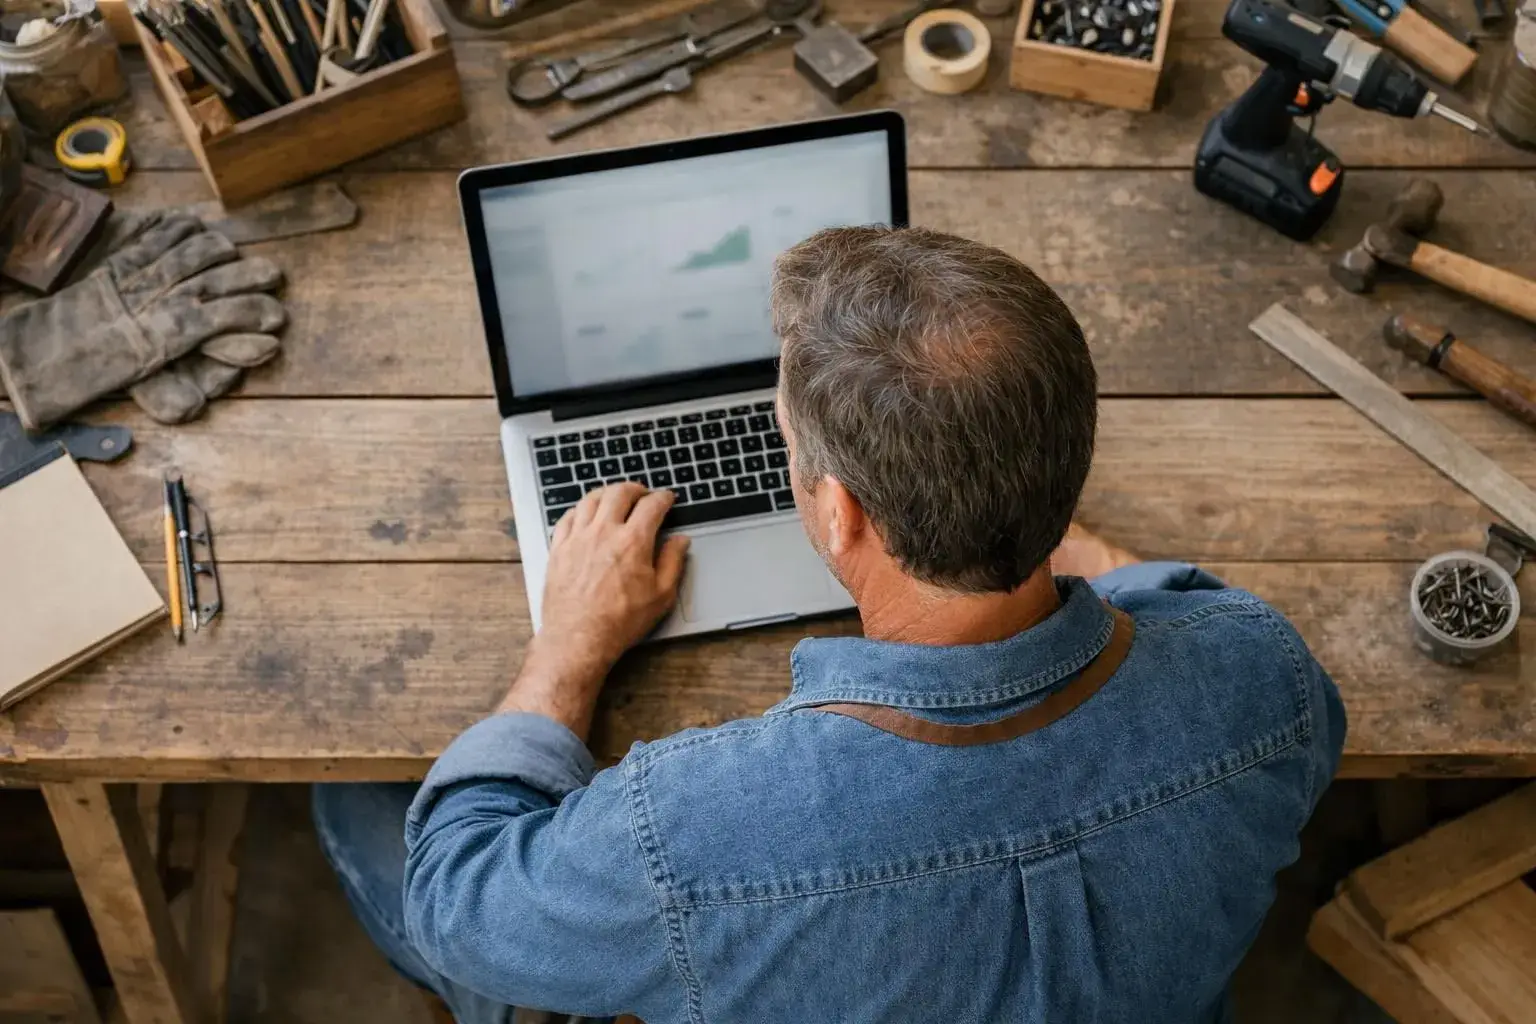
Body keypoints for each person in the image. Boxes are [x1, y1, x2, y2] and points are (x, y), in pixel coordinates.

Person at [313, 227, 1346, 1024]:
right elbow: (1177, 608)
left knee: (349, 794)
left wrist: (568, 644)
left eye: (790, 452)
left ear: (839, 510)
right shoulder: (1264, 676)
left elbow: (459, 896)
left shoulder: (690, 833)